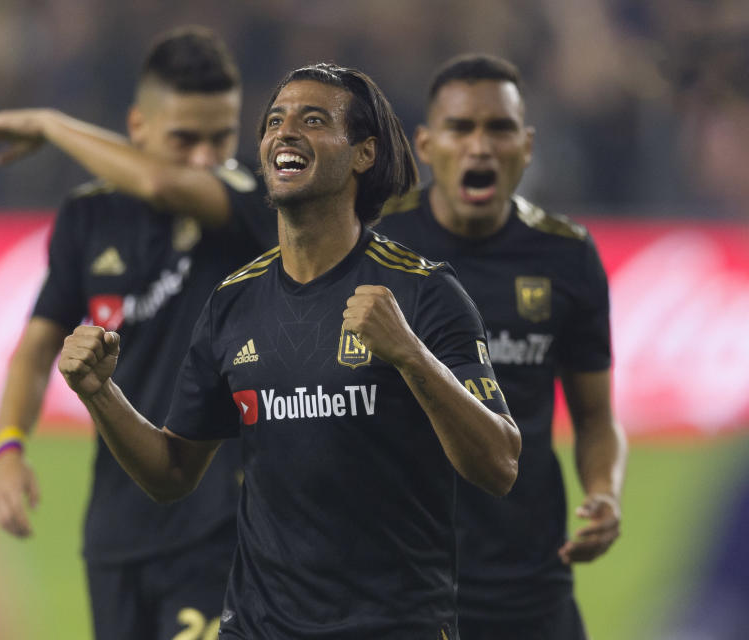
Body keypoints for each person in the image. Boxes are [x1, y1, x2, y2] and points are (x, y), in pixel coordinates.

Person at [58, 62, 522, 639]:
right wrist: (101, 394)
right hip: (259, 628)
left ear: (363, 154)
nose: (285, 132)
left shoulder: (424, 292)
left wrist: (410, 355)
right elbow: (172, 473)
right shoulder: (233, 302)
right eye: (274, 121)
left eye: (314, 120)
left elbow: (500, 464)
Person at [0, 27, 274, 640]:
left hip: (218, 526)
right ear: (138, 127)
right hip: (116, 534)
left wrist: (52, 125)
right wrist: (8, 449)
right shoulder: (89, 216)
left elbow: (162, 183)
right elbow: (34, 350)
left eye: (222, 136)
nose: (206, 156)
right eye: (184, 138)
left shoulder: (251, 199)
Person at [376, 54, 628, 639]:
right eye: (461, 128)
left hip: (530, 583)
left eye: (500, 128)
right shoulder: (378, 244)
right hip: (405, 585)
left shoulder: (567, 256)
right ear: (426, 143)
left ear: (528, 144)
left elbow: (594, 417)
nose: (480, 146)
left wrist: (604, 495)